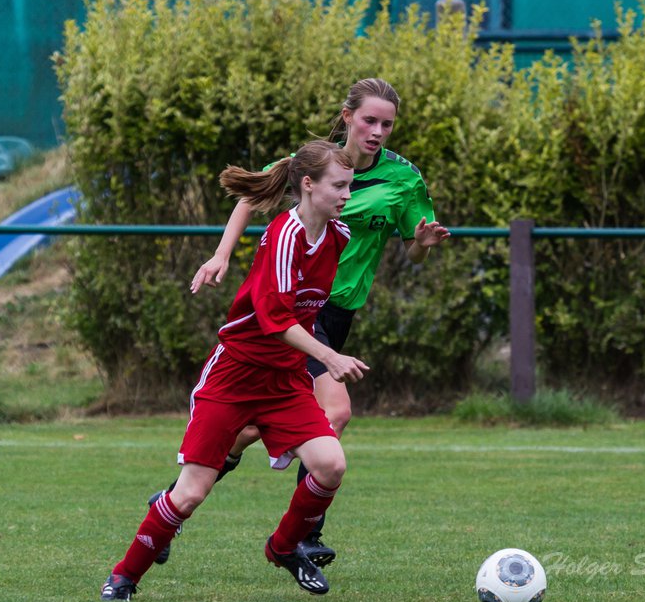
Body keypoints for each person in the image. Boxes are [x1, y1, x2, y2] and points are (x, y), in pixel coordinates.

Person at [146, 78, 450, 568]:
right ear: (347, 115)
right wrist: (221, 255)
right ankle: (303, 534)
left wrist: (421, 243)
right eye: (369, 120)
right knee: (338, 412)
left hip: (338, 314)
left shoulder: (404, 179)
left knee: (245, 431)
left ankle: (169, 506)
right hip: (299, 313)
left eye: (387, 124)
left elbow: (411, 252)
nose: (377, 131)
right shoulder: (316, 163)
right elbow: (251, 196)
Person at [101, 140, 370, 602]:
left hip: (284, 382)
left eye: (350, 185)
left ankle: (283, 548)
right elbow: (275, 319)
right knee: (189, 495)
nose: (347, 194)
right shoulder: (284, 235)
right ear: (308, 185)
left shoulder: (339, 236)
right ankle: (124, 577)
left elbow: (302, 316)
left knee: (330, 464)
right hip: (236, 376)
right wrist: (328, 357)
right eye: (339, 186)